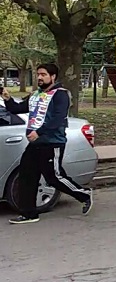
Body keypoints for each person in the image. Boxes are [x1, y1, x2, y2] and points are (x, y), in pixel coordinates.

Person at [4, 63, 93, 224]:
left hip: (53, 143)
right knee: (26, 176)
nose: (39, 77)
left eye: (43, 74)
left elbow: (57, 119)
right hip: (35, 144)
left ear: (53, 77)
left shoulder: (61, 95)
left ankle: (84, 194)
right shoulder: (35, 95)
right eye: (38, 74)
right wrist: (8, 99)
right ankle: (29, 213)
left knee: (54, 178)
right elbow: (17, 109)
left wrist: (38, 132)